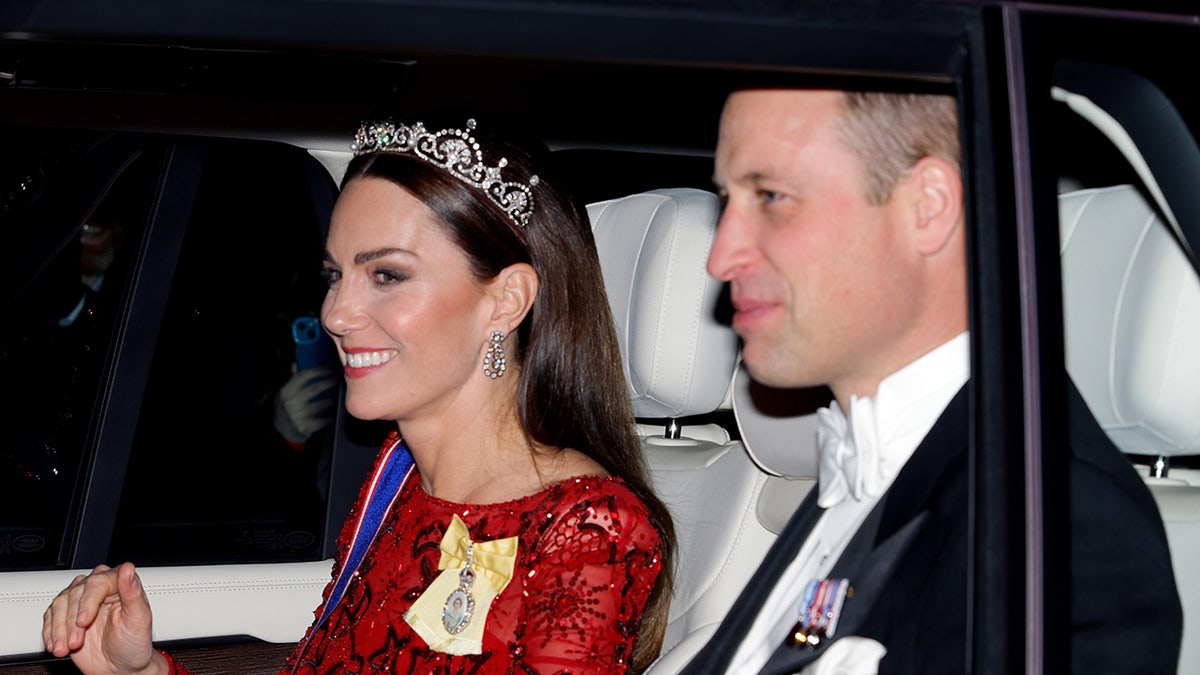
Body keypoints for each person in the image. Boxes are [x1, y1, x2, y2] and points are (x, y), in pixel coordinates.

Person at [42, 116, 675, 674]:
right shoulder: (397, 481)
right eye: (334, 276)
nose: (337, 313)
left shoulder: (587, 527)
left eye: (387, 275)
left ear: (504, 301)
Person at [677, 89, 1182, 674]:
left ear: (929, 206)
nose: (720, 257)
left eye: (771, 196)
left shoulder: (1062, 533)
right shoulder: (862, 470)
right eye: (726, 201)